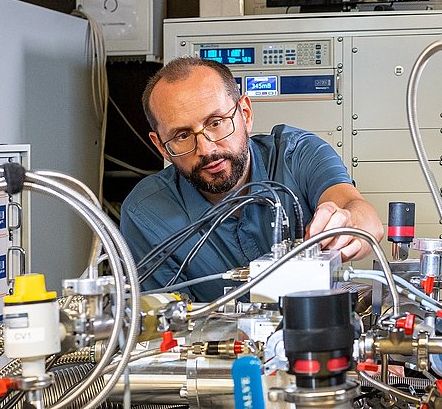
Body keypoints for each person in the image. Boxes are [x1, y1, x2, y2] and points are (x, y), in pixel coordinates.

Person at [120, 57, 383, 301]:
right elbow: (164, 326)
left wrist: (348, 226)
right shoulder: (146, 213)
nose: (207, 149)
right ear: (161, 147)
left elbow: (360, 212)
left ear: (245, 114)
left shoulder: (297, 154)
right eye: (182, 136)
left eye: (216, 122)